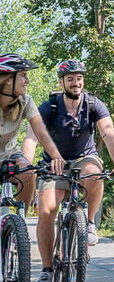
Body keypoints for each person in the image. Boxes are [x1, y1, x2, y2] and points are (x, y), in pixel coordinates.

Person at [23, 58, 114, 282]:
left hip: (84, 159)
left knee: (94, 172)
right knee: (46, 211)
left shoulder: (93, 104)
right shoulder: (49, 106)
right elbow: (32, 137)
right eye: (70, 79)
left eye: (79, 78)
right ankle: (47, 269)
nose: (75, 83)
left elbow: (109, 134)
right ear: (62, 82)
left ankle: (89, 223)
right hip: (54, 164)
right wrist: (26, 166)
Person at [0, 54, 65, 208]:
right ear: (8, 79)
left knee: (29, 173)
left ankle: (18, 221)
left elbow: (41, 132)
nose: (27, 81)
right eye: (23, 75)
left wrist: (56, 157)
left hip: (10, 154)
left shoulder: (26, 101)